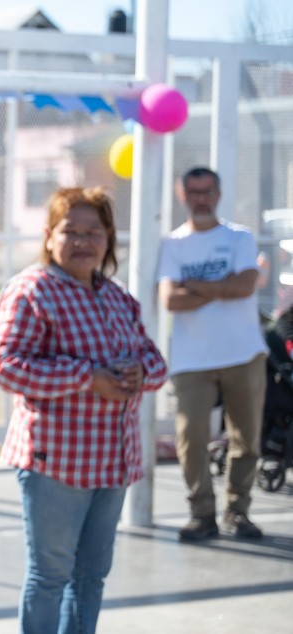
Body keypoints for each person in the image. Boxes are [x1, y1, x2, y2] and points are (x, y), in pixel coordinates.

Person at [0, 187, 167, 634]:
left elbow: (155, 361)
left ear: (109, 239)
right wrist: (89, 378)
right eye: (72, 230)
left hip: (112, 463)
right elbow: (6, 366)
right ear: (50, 236)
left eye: (95, 231)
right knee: (50, 577)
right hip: (56, 465)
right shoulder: (31, 291)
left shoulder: (117, 296)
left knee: (92, 576)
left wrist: (136, 375)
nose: (84, 241)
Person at [157, 166, 268, 541]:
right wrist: (222, 285)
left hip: (243, 354)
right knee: (191, 438)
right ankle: (201, 512)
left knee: (246, 439)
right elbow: (171, 299)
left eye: (207, 191)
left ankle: (238, 511)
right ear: (182, 195)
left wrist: (195, 285)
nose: (201, 199)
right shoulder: (173, 244)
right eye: (193, 192)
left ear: (218, 195)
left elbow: (246, 285)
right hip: (192, 359)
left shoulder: (239, 237)